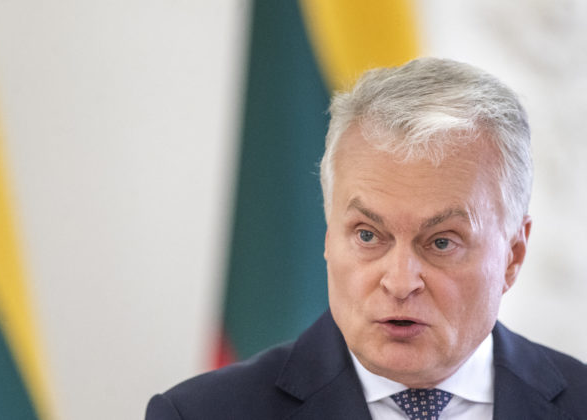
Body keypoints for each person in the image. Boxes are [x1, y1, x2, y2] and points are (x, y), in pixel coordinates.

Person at [145, 58, 587, 419]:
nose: (400, 282)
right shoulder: (200, 414)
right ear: (327, 237)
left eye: (441, 242)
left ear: (513, 255)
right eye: (368, 235)